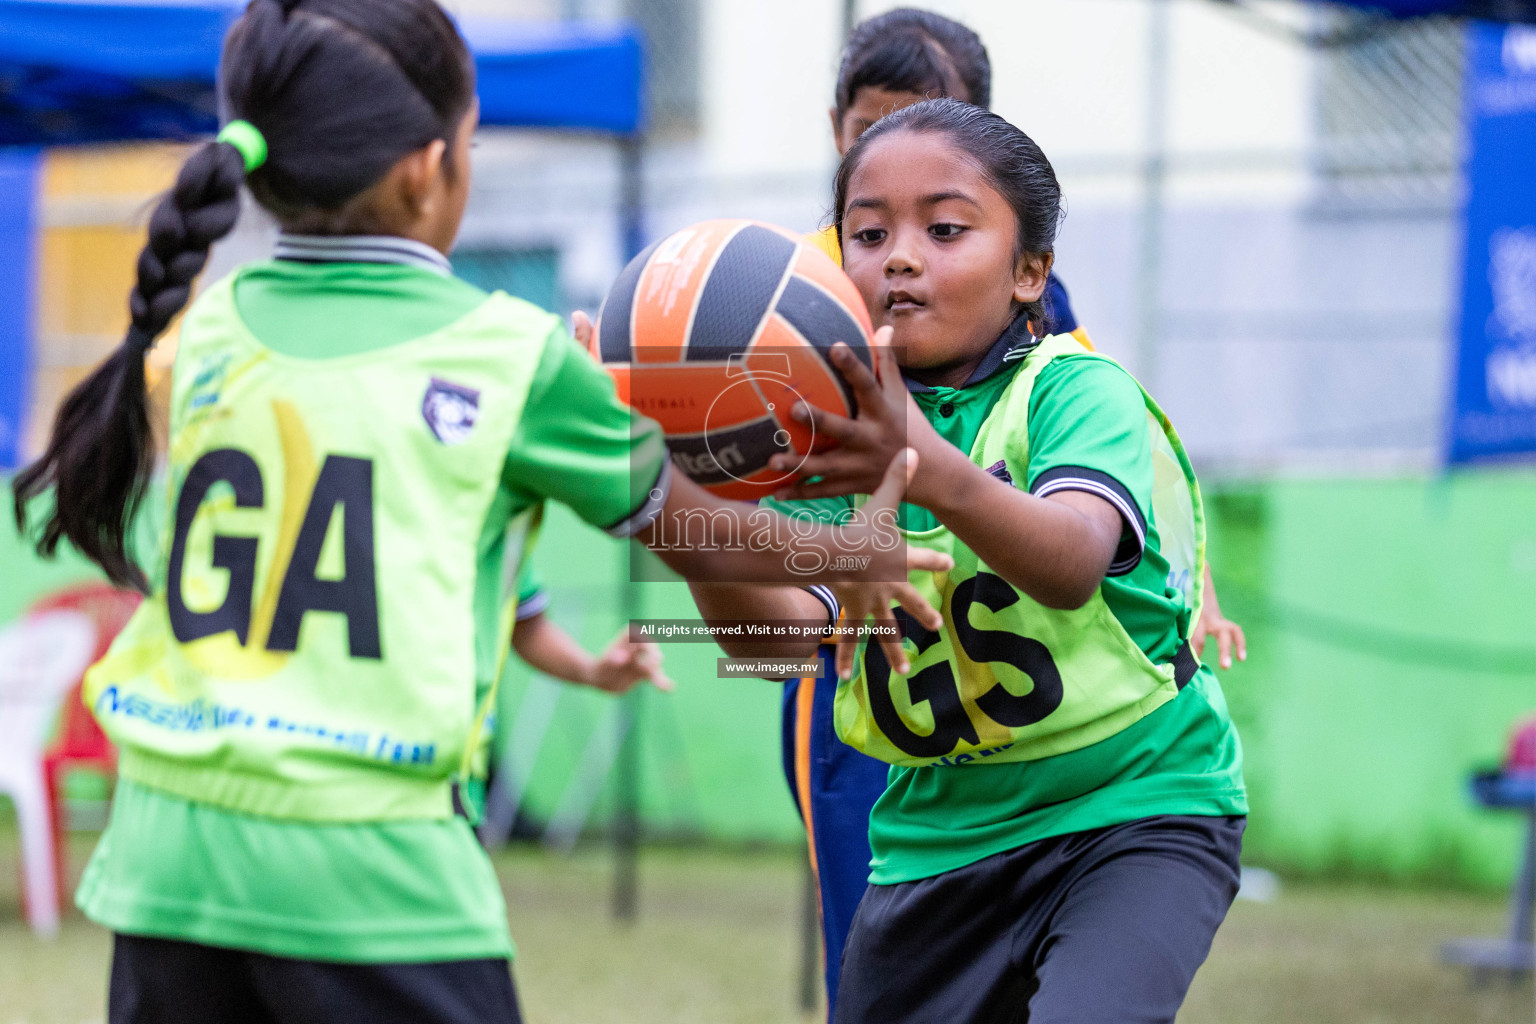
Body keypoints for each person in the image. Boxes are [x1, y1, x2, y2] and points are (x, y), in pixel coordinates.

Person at [8, 2, 947, 1021]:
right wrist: (842, 552)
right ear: (426, 169)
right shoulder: (505, 352)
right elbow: (690, 527)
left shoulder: (209, 331)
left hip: (169, 854)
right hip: (369, 853)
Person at [693, 97, 1247, 1024]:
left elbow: (1070, 561)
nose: (899, 256)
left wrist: (925, 464)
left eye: (945, 229)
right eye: (866, 235)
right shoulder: (823, 443)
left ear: (1031, 270)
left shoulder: (1074, 391)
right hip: (937, 838)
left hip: (1133, 808)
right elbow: (776, 640)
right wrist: (663, 503)